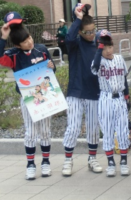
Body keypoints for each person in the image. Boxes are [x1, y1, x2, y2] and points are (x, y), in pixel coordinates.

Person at [0, 11, 56, 180]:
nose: (30, 42)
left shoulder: (41, 49)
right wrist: (3, 38)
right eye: (25, 42)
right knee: (30, 133)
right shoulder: (13, 56)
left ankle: (46, 162)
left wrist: (52, 67)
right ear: (18, 45)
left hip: (45, 96)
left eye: (30, 38)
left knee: (45, 132)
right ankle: (30, 164)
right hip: (27, 99)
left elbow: (51, 71)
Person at [62, 3, 102, 176]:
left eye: (93, 30)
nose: (90, 34)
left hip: (94, 92)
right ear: (79, 31)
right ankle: (68, 160)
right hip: (76, 92)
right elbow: (68, 39)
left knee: (93, 127)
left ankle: (92, 158)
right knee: (73, 127)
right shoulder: (75, 45)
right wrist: (77, 20)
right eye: (86, 31)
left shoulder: (98, 45)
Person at [91, 29, 131, 177]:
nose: (108, 50)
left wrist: (127, 97)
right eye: (103, 46)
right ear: (98, 47)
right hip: (105, 98)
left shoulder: (119, 59)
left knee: (122, 130)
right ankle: (110, 163)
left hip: (119, 97)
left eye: (109, 46)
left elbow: (124, 79)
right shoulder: (98, 61)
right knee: (107, 131)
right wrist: (99, 49)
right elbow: (94, 68)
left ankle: (124, 162)